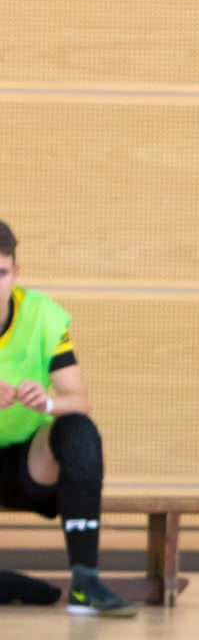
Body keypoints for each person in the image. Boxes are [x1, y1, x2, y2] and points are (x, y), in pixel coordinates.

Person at [0, 221, 136, 617]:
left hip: (28, 466)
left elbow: (78, 400)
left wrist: (45, 403)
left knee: (79, 431)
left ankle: (84, 580)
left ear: (16, 273)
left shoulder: (42, 316)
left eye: (2, 273)